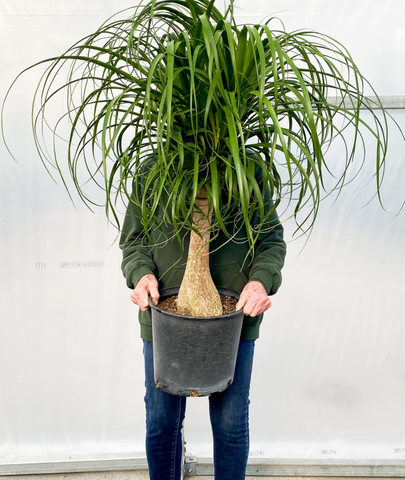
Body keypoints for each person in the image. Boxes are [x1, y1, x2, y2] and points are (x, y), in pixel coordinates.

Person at [119, 165, 286, 480]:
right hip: (163, 315)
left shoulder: (247, 169)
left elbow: (271, 242)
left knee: (231, 424)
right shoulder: (153, 169)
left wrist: (260, 282)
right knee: (161, 422)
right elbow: (134, 240)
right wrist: (141, 274)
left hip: (234, 318)